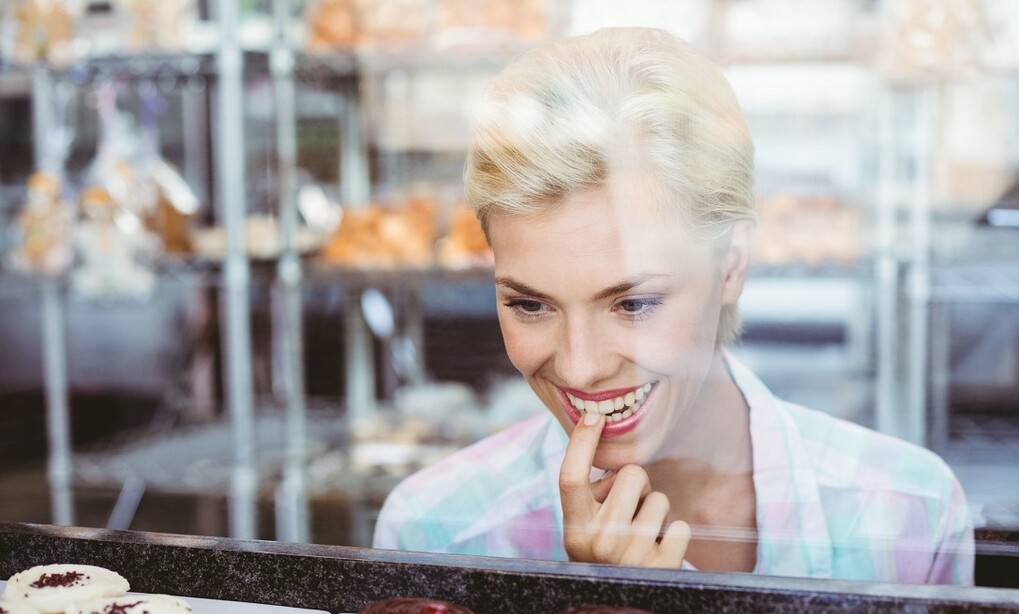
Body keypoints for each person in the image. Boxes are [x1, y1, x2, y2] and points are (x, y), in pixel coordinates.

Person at [373, 27, 974, 584]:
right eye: (531, 306)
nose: (580, 369)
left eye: (633, 304)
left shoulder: (910, 517)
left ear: (732, 262)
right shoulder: (437, 529)